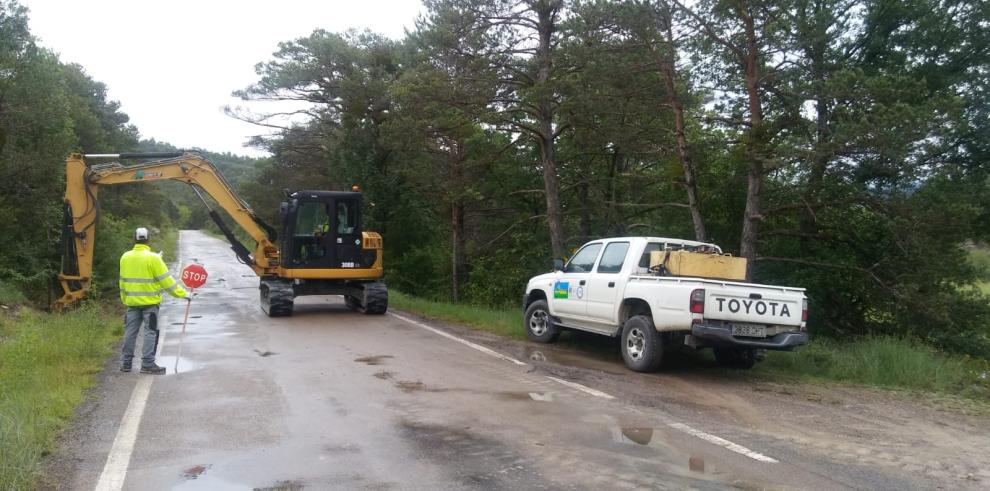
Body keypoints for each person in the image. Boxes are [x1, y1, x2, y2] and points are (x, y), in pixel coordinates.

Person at [118, 227, 188, 374]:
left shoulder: (125, 257)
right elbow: (167, 281)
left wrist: (125, 299)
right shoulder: (153, 258)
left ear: (134, 239)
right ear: (148, 240)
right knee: (150, 332)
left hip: (132, 303)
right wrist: (183, 294)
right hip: (150, 304)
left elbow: (122, 281)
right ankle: (147, 364)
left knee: (130, 332)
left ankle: (126, 363)